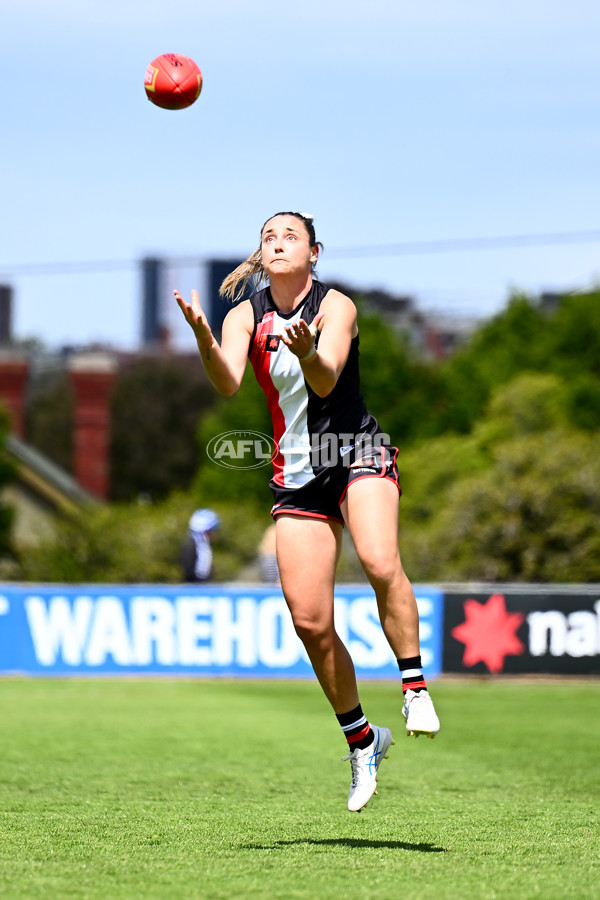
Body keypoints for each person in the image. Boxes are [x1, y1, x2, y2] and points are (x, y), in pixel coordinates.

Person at [175, 212, 440, 812]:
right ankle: (364, 742)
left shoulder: (336, 306)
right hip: (298, 472)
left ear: (313, 253)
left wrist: (307, 349)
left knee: (378, 558)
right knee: (311, 622)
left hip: (355, 450)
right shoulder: (245, 313)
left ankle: (414, 686)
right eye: (269, 236)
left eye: (289, 235)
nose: (277, 242)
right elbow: (227, 382)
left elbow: (325, 382)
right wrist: (203, 339)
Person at [181, 508, 220, 583]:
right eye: (212, 530)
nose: (214, 534)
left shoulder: (203, 546)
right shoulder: (192, 546)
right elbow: (189, 571)